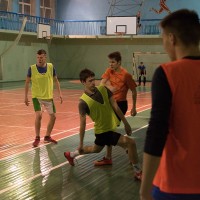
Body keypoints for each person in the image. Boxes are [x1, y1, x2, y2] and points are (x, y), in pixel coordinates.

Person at [140, 9, 200, 200]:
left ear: (172, 38)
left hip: (175, 185)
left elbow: (157, 131)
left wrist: (144, 189)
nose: (164, 44)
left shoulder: (167, 73)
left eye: (163, 38)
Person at [64, 68, 142, 180]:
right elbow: (83, 124)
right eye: (90, 81)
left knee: (95, 149)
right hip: (103, 131)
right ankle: (138, 172)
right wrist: (80, 142)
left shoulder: (103, 89)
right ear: (83, 82)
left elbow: (115, 107)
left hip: (110, 126)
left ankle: (71, 155)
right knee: (131, 143)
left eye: (93, 80)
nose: (93, 83)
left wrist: (126, 123)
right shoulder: (83, 102)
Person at [94, 51, 137, 166]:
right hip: (110, 104)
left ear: (119, 62)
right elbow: (101, 84)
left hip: (121, 105)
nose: (110, 64)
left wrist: (134, 107)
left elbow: (133, 91)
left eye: (113, 62)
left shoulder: (126, 75)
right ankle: (120, 151)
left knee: (109, 130)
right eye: (109, 62)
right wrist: (110, 86)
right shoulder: (109, 71)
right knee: (109, 130)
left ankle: (117, 153)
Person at [24, 49, 63, 147]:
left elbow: (56, 80)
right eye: (38, 57)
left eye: (41, 57)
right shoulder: (32, 68)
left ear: (45, 57)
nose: (39, 59)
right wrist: (25, 96)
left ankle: (47, 136)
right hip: (36, 97)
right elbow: (27, 82)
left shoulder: (50, 67)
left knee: (53, 117)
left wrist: (60, 93)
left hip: (48, 97)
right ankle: (37, 137)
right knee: (39, 115)